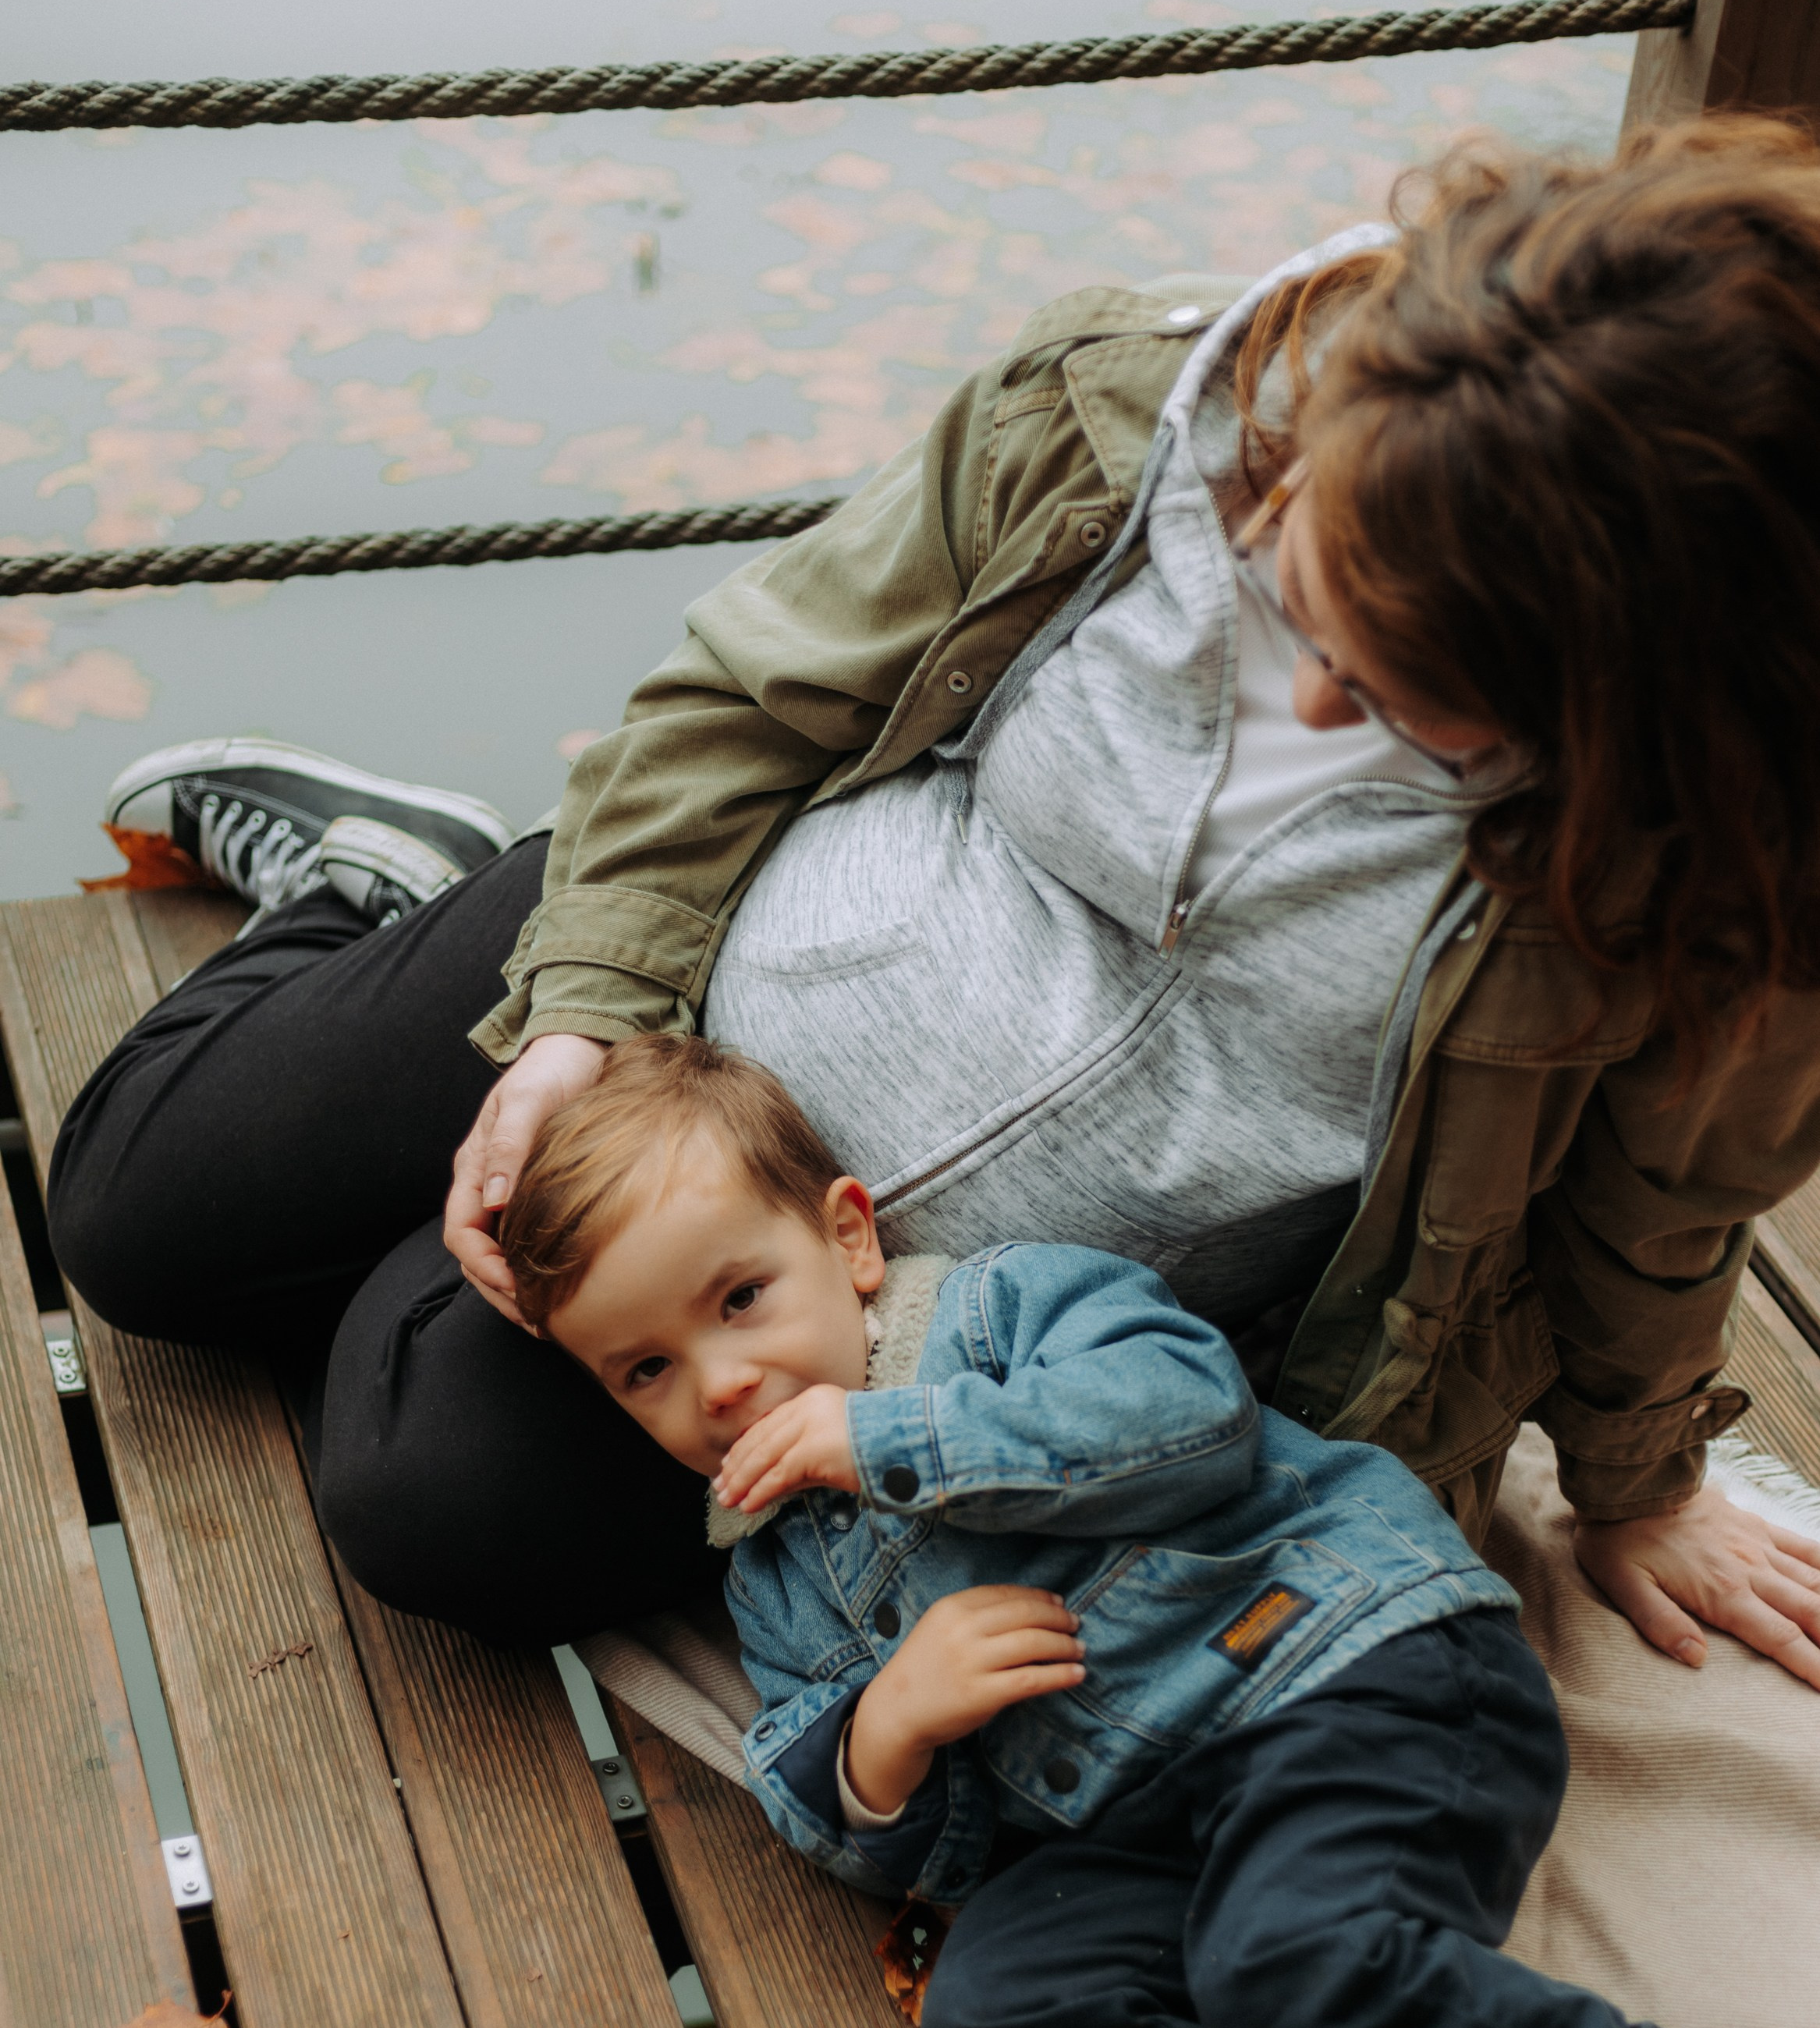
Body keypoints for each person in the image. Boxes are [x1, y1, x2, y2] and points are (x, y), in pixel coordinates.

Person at [45, 117, 1820, 1673]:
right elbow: (747, 700)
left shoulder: (1735, 864)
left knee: (432, 1499)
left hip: (950, 1323)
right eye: (1302, 580)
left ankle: (448, 1229)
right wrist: (583, 1013)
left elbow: (1659, 1202)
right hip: (700, 988)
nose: (1317, 694)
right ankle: (399, 876)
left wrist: (1638, 1480)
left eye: (1410, 691)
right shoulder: (1122, 403)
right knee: (134, 1214)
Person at [493, 1026, 1820, 2028]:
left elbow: (1188, 1417)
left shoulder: (999, 1313)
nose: (718, 1384)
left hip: (1339, 1675)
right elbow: (857, 1829)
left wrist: (892, 1441)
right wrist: (886, 1735)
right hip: (1146, 1830)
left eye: (741, 1300)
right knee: (992, 2027)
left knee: (1287, 1973)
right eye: (646, 1370)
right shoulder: (771, 1575)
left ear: (850, 1240)